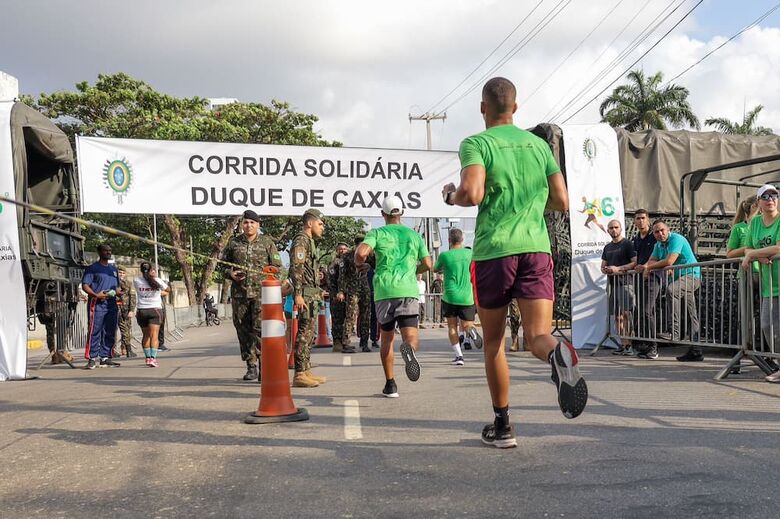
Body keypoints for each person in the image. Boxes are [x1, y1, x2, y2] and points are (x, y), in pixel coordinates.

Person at [442, 76, 586, 448]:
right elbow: (561, 200)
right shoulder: (539, 146)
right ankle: (558, 354)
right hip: (536, 248)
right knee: (539, 335)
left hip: (495, 251)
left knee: (493, 343)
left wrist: (450, 196)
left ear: (482, 108)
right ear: (516, 108)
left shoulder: (477, 143)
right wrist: (531, 203)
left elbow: (471, 193)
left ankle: (503, 426)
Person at [355, 195, 432, 398]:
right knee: (411, 336)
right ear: (402, 213)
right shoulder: (414, 236)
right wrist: (414, 270)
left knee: (387, 339)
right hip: (407, 290)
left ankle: (390, 385)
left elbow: (361, 252)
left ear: (383, 214)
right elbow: (429, 263)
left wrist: (359, 263)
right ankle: (409, 348)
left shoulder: (378, 233)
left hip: (384, 291)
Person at [221, 209, 283, 382]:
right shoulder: (234, 243)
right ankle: (251, 366)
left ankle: (265, 366)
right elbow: (222, 266)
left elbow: (278, 267)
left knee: (260, 330)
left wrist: (272, 277)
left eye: (252, 223)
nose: (248, 225)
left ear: (258, 225)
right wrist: (230, 274)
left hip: (261, 295)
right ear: (242, 225)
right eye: (246, 222)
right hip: (239, 295)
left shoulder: (267, 243)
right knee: (243, 329)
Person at [636, 220, 701, 361]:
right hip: (680, 279)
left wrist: (648, 268)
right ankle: (696, 350)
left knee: (671, 291)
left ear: (668, 229)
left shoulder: (676, 239)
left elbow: (669, 261)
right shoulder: (658, 245)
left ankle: (674, 332)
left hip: (692, 276)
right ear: (653, 234)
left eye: (662, 230)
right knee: (692, 313)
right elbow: (652, 260)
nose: (660, 234)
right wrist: (649, 266)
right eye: (656, 232)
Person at [741, 185, 780, 383]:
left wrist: (754, 255)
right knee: (767, 326)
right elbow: (748, 246)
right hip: (769, 284)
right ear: (759, 202)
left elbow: (779, 248)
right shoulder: (755, 222)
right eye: (765, 196)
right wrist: (757, 254)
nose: (770, 199)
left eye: (774, 195)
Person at [290, 208, 328, 387]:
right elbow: (296, 268)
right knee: (304, 333)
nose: (322, 227)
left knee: (309, 332)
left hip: (311, 292)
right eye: (320, 224)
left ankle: (305, 370)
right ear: (310, 223)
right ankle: (299, 374)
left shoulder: (309, 241)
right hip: (304, 293)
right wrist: (297, 293)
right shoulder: (301, 240)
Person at [434, 228, 478, 366]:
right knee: (466, 324)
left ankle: (459, 356)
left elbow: (435, 269)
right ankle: (471, 330)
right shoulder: (470, 253)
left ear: (449, 241)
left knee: (452, 326)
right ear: (462, 240)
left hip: (450, 296)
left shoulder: (445, 255)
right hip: (467, 296)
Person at [81, 243, 121, 369]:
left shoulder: (113, 269)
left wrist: (118, 291)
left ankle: (105, 357)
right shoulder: (92, 268)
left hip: (111, 304)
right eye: (105, 251)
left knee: (109, 330)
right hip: (97, 304)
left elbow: (118, 287)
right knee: (95, 330)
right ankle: (92, 358)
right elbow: (85, 285)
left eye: (110, 250)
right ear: (99, 252)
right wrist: (95, 295)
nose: (108, 253)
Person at [601, 220, 638, 355]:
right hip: (613, 286)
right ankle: (623, 344)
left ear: (621, 229)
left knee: (627, 314)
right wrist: (606, 270)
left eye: (616, 227)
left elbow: (634, 263)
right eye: (611, 228)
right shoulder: (607, 247)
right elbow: (602, 266)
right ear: (607, 230)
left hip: (627, 283)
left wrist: (618, 269)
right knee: (617, 317)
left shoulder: (627, 244)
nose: (614, 230)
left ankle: (630, 345)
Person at [630, 209, 658, 357]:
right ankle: (644, 345)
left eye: (643, 218)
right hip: (638, 278)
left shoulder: (654, 236)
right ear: (634, 221)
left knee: (648, 311)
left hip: (653, 277)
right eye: (638, 218)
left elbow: (659, 255)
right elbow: (633, 260)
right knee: (640, 311)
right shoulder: (635, 239)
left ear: (648, 219)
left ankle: (653, 346)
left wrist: (647, 267)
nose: (640, 221)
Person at [133, 262, 170, 367]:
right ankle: (153, 359)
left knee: (145, 335)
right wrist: (155, 280)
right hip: (155, 310)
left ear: (141, 270)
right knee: (154, 335)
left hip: (142, 311)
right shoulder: (157, 281)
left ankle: (148, 358)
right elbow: (168, 289)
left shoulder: (136, 280)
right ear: (151, 270)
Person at [339, 237, 372, 353]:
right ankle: (346, 343)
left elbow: (377, 266)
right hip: (352, 289)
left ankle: (364, 342)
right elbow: (342, 275)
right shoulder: (347, 256)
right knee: (350, 316)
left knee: (366, 316)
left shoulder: (369, 256)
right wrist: (341, 291)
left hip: (365, 288)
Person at [329, 242, 349, 352]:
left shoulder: (349, 262)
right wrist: (336, 293)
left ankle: (345, 342)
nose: (343, 251)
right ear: (337, 251)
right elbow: (331, 281)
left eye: (345, 249)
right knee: (337, 319)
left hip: (348, 295)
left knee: (347, 319)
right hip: (337, 296)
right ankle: (337, 342)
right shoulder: (334, 263)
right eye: (340, 249)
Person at [117, 266, 137, 358]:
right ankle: (126, 350)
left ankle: (125, 348)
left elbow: (132, 297)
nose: (121, 274)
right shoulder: (113, 282)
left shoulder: (128, 283)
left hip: (125, 309)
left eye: (123, 273)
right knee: (120, 329)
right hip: (115, 308)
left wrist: (131, 310)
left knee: (126, 329)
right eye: (120, 272)